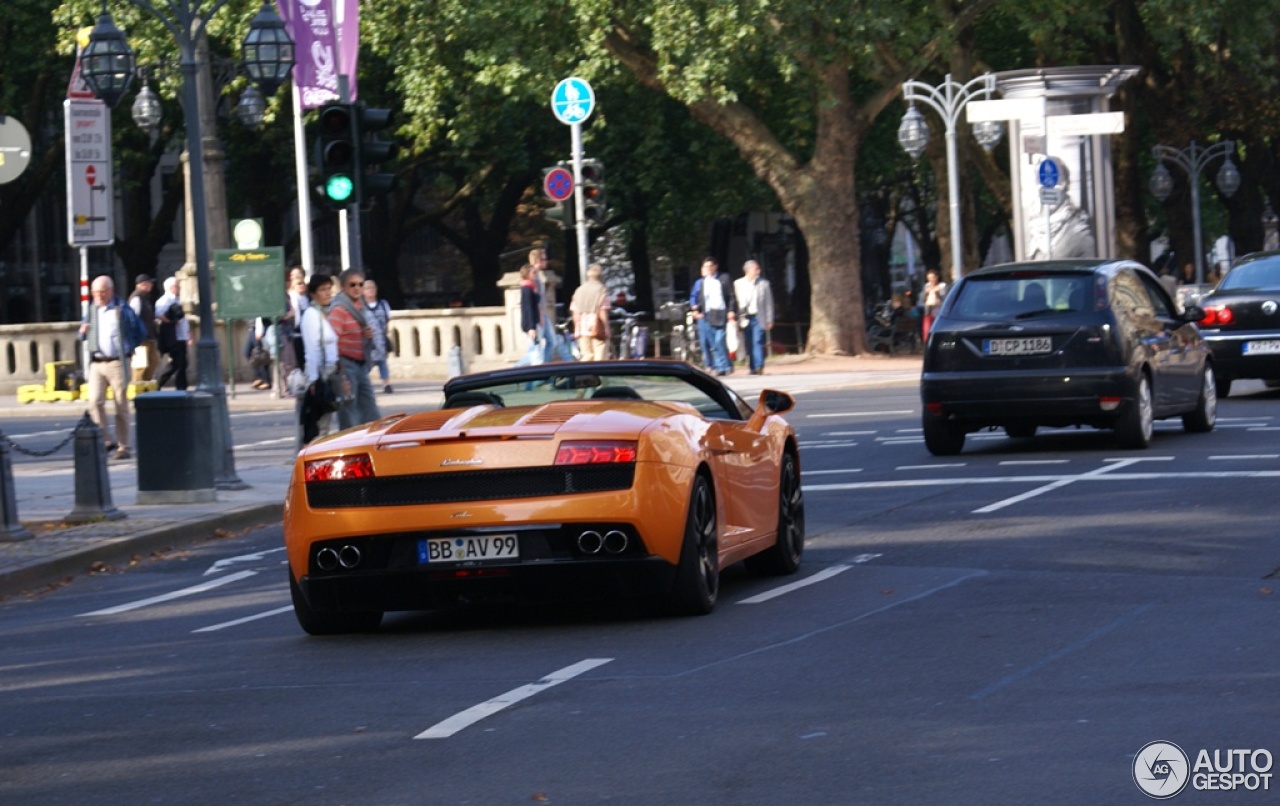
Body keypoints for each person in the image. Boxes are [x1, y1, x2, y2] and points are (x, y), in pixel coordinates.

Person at [79, 275, 144, 460]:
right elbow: (82, 332)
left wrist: (129, 349)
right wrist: (82, 332)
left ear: (111, 291)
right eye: (95, 292)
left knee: (120, 404)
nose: (98, 295)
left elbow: (140, 331)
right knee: (94, 402)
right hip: (97, 362)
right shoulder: (92, 310)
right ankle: (106, 440)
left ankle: (124, 447)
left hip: (117, 362)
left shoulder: (121, 309)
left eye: (102, 292)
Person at [326, 268, 381, 429]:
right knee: (349, 411)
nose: (357, 288)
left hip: (361, 365)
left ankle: (371, 441)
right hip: (346, 365)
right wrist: (340, 373)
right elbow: (332, 341)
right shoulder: (339, 309)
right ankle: (350, 447)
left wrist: (366, 335)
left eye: (360, 284)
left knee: (370, 409)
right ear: (343, 287)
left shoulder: (360, 306)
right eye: (352, 285)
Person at [298, 274, 339, 446]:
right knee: (321, 423)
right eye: (323, 290)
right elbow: (312, 348)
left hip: (330, 373)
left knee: (328, 420)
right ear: (313, 294)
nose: (327, 293)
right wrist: (314, 379)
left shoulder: (325, 313)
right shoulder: (311, 315)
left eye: (329, 289)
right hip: (320, 376)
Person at [690, 257, 736, 376]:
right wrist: (695, 310)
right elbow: (697, 299)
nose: (708, 269)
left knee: (719, 340)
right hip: (708, 314)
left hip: (721, 312)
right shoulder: (702, 282)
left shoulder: (724, 278)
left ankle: (725, 365)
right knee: (713, 344)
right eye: (705, 267)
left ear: (715, 266)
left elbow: (731, 295)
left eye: (710, 266)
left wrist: (731, 310)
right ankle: (721, 367)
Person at [733, 259, 774, 375]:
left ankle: (759, 365)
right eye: (756, 269)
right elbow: (737, 302)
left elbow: (768, 303)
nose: (758, 271)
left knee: (757, 341)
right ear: (748, 270)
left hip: (758, 316)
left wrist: (769, 319)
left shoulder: (764, 284)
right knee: (749, 342)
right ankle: (752, 367)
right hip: (745, 317)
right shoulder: (738, 283)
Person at [570, 263, 612, 361]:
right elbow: (602, 311)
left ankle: (584, 375)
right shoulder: (601, 290)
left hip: (582, 328)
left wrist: (577, 327)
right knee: (600, 355)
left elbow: (575, 311)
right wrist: (606, 327)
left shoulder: (579, 290)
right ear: (600, 276)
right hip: (597, 327)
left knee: (587, 356)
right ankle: (599, 375)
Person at [154, 276, 190, 390]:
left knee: (182, 363)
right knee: (177, 362)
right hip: (174, 337)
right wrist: (170, 321)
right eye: (177, 286)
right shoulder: (165, 300)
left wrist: (188, 333)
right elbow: (159, 314)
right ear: (171, 287)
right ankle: (159, 383)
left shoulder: (176, 299)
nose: (179, 288)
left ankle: (181, 387)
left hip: (181, 336)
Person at [277, 266, 309, 394]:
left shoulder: (306, 298)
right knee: (289, 361)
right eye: (296, 282)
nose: (300, 285)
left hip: (303, 331)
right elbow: (288, 314)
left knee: (298, 360)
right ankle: (289, 387)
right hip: (291, 331)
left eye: (301, 283)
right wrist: (291, 314)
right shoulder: (290, 296)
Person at [362, 278, 393, 393]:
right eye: (367, 288)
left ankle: (386, 383)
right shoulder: (361, 307)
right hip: (367, 340)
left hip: (381, 339)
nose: (370, 291)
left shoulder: (383, 304)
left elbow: (388, 319)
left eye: (372, 288)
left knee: (383, 362)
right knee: (366, 364)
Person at [128, 274, 157, 382]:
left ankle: (146, 385)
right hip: (141, 338)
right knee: (140, 365)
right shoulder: (137, 298)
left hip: (148, 337)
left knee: (153, 361)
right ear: (144, 284)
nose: (152, 285)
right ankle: (138, 386)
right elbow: (132, 318)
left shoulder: (143, 297)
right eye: (150, 283)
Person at [517, 263, 543, 365]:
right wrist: (532, 327)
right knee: (536, 353)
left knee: (532, 352)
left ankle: (515, 370)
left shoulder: (530, 287)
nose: (535, 274)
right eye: (533, 272)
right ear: (527, 274)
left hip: (532, 323)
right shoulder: (527, 288)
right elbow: (528, 308)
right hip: (532, 324)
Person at [245, 317, 273, 390]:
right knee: (247, 353)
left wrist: (260, 330)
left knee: (260, 355)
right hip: (252, 328)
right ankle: (259, 377)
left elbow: (260, 316)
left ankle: (266, 381)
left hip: (259, 327)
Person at [921, 269, 948, 343]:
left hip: (938, 311)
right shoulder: (927, 286)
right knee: (927, 329)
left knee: (938, 329)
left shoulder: (942, 286)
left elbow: (945, 299)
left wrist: (937, 293)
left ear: (937, 277)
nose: (931, 280)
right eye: (929, 278)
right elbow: (923, 299)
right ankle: (928, 343)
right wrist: (926, 293)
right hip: (929, 311)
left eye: (932, 277)